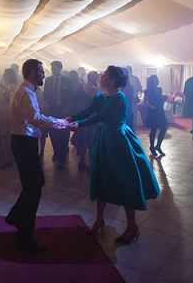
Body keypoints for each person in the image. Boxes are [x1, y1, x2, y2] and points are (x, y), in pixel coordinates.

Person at [67, 65, 159, 244]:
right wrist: (73, 117)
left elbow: (100, 116)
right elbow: (89, 111)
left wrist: (79, 124)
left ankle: (132, 226)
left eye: (106, 76)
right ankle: (99, 219)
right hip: (103, 139)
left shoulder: (119, 97)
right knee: (101, 178)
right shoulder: (100, 96)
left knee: (124, 181)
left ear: (115, 80)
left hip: (118, 141)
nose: (102, 77)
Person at [5, 59, 68, 252]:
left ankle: (16, 216)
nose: (43, 75)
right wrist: (60, 122)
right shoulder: (25, 91)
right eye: (41, 72)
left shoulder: (25, 89)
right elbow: (35, 118)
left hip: (24, 141)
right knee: (33, 189)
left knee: (35, 184)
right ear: (32, 73)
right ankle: (24, 239)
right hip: (24, 142)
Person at [42, 60, 73, 168]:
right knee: (53, 132)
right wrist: (46, 104)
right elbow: (45, 95)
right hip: (51, 110)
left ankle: (62, 155)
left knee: (64, 133)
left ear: (60, 68)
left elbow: (71, 97)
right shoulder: (48, 80)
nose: (52, 69)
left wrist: (68, 108)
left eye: (54, 67)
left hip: (63, 110)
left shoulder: (67, 81)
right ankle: (57, 151)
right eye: (52, 68)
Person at [70, 70, 100, 170]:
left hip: (86, 116)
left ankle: (83, 161)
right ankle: (88, 162)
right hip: (91, 117)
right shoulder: (95, 88)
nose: (95, 78)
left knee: (85, 140)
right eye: (94, 77)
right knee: (91, 141)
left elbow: (75, 100)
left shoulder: (82, 87)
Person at [0, 68, 18, 168]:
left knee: (5, 136)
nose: (4, 76)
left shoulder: (12, 86)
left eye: (5, 74)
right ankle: (7, 157)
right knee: (4, 136)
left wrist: (4, 89)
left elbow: (9, 99)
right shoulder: (9, 85)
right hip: (4, 111)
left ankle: (8, 158)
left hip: (7, 112)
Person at [144, 75, 168, 156]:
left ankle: (158, 146)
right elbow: (146, 101)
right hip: (153, 111)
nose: (155, 82)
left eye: (156, 80)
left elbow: (160, 99)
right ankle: (152, 147)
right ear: (151, 81)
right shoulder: (147, 90)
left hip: (160, 110)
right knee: (153, 130)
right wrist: (151, 106)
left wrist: (163, 100)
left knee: (164, 128)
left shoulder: (159, 89)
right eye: (154, 80)